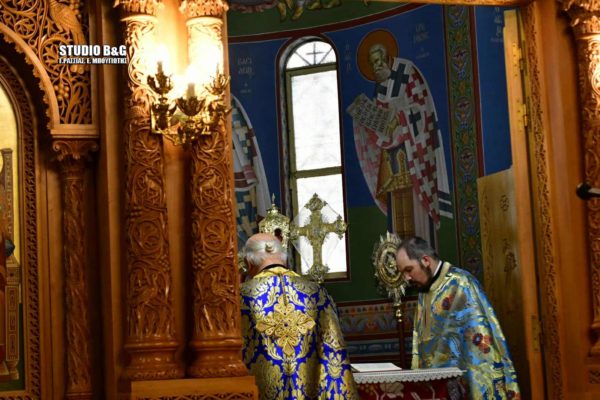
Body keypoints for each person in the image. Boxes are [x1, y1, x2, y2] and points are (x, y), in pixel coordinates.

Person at [348, 36, 452, 246]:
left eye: (380, 60)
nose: (377, 66)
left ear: (388, 57)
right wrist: (365, 118)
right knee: (398, 209)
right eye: (373, 63)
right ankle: (401, 256)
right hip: (393, 159)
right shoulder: (380, 87)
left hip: (415, 154)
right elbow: (381, 123)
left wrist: (399, 118)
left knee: (417, 207)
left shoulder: (408, 72)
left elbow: (423, 107)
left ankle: (424, 251)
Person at [395, 236, 520, 399]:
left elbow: (480, 348)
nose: (407, 278)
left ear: (425, 261)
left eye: (409, 270)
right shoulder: (424, 292)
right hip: (436, 389)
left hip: (461, 387)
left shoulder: (461, 284)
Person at [240, 233, 358, 399]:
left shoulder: (241, 297)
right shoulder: (317, 294)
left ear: (248, 262)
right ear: (284, 257)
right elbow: (333, 353)